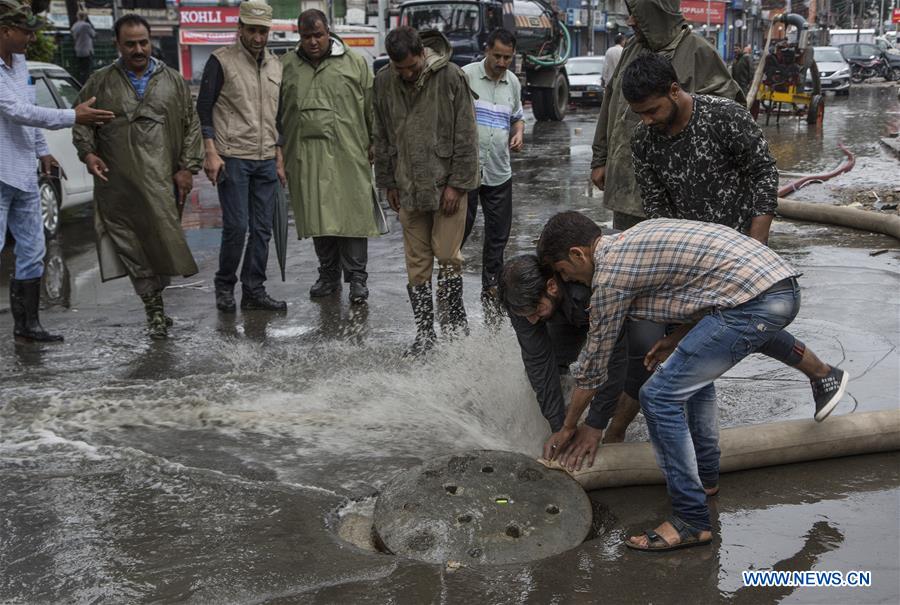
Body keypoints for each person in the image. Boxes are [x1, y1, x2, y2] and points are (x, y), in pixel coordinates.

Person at [537, 211, 849, 552]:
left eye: (566, 272)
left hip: (759, 301)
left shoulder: (610, 277)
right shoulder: (631, 239)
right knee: (691, 373)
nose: (572, 282)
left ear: (578, 254)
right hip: (767, 285)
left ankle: (691, 519)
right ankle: (706, 478)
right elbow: (705, 292)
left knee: (658, 396)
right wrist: (677, 339)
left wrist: (571, 426)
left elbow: (596, 363)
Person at [73, 14, 202, 340]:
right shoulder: (100, 82)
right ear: (118, 44)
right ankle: (154, 309)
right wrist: (88, 154)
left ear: (150, 41)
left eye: (143, 42)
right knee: (132, 247)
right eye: (130, 44)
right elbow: (81, 122)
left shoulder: (173, 81)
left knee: (162, 244)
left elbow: (192, 126)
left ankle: (156, 299)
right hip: (119, 186)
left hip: (163, 183)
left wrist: (188, 167)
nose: (138, 49)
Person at [1, 0, 113, 342]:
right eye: (26, 32)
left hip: (23, 171)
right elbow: (15, 110)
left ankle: (27, 327)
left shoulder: (19, 63)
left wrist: (43, 150)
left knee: (34, 250)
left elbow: (31, 107)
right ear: (5, 30)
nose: (31, 39)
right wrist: (72, 116)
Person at [590, 0, 743, 230]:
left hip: (680, 189)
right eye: (630, 14)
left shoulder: (698, 51)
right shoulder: (632, 48)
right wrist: (600, 158)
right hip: (626, 184)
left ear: (658, 13)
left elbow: (731, 115)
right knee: (631, 253)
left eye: (638, 15)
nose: (631, 21)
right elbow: (610, 100)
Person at [373, 26, 479, 356]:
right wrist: (387, 182)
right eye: (399, 68)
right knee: (416, 265)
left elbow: (466, 135)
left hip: (446, 185)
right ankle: (425, 334)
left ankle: (456, 323)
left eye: (412, 67)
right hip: (407, 187)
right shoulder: (383, 81)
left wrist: (457, 185)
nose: (406, 74)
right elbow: (381, 134)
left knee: (448, 256)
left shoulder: (451, 77)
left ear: (422, 53)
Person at [498, 254, 651, 457]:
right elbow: (539, 362)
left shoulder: (586, 284)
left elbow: (613, 359)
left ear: (551, 286)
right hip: (568, 309)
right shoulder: (521, 303)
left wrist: (595, 423)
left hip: (627, 303)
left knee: (639, 363)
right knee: (556, 367)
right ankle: (570, 425)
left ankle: (615, 433)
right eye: (526, 315)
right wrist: (560, 428)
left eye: (535, 311)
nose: (532, 321)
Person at [279, 9, 380, 304]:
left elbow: (371, 107)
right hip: (306, 156)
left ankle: (358, 281)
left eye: (318, 35)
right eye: (307, 36)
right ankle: (328, 276)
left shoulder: (354, 63)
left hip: (349, 152)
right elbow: (275, 113)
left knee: (353, 217)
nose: (312, 42)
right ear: (300, 36)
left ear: (329, 32)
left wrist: (374, 142)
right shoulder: (287, 66)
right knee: (318, 215)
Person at [624, 54, 777, 243]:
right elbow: (654, 202)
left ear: (674, 91)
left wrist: (757, 244)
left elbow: (764, 174)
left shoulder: (725, 117)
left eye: (652, 111)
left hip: (739, 243)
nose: (646, 121)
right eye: (639, 113)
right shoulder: (643, 139)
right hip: (688, 248)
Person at [197, 1, 286, 314]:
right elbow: (204, 108)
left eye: (263, 31)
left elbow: (279, 115)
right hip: (232, 156)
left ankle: (254, 290)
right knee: (237, 227)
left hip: (265, 159)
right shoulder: (220, 61)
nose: (258, 37)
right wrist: (210, 152)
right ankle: (224, 286)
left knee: (263, 229)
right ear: (240, 28)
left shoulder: (277, 65)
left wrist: (279, 155)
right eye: (252, 30)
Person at [461, 28, 524, 318]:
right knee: (458, 233)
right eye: (497, 55)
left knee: (497, 237)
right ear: (487, 49)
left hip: (499, 171)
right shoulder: (466, 76)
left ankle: (491, 288)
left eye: (507, 57)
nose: (502, 62)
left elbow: (517, 118)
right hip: (467, 172)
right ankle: (450, 288)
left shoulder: (512, 82)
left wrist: (518, 134)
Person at [70, 11, 95, 85]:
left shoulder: (74, 26)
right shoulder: (86, 25)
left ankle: (79, 83)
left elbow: (73, 35)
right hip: (87, 51)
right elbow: (93, 34)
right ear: (85, 17)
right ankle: (86, 83)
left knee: (80, 68)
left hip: (77, 50)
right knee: (87, 69)